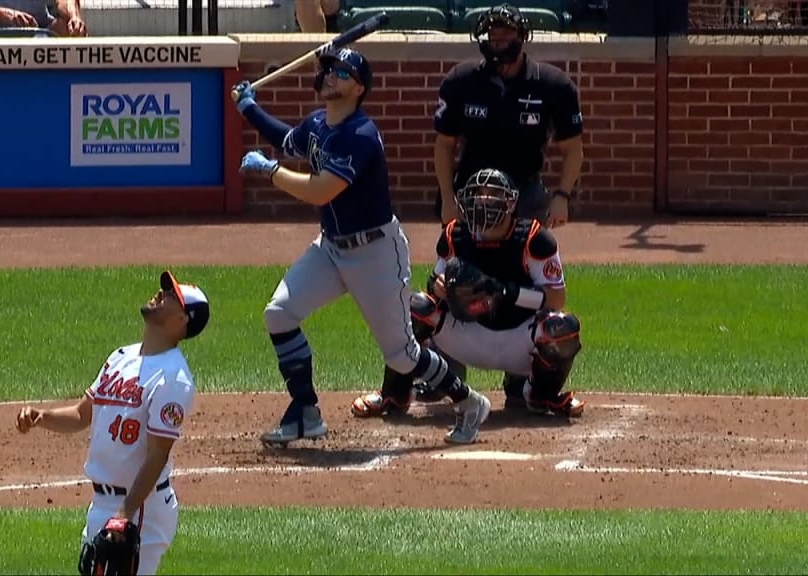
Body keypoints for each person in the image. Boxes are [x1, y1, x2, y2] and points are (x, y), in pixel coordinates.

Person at [232, 47, 492, 446]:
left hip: (375, 255)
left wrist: (271, 173)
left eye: (342, 72)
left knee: (401, 355)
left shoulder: (360, 136)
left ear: (359, 88)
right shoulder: (318, 123)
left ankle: (468, 401)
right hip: (331, 248)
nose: (331, 75)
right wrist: (249, 106)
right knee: (279, 314)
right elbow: (287, 140)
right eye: (330, 69)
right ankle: (305, 411)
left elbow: (321, 191)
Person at [14, 270, 210, 576]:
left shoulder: (173, 378)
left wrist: (124, 514)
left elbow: (157, 455)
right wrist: (43, 417)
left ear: (182, 321)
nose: (161, 295)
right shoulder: (120, 357)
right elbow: (82, 414)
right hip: (102, 505)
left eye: (172, 297)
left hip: (140, 508)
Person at [351, 168, 585, 419]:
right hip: (468, 335)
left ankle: (542, 396)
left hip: (519, 339)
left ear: (510, 202)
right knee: (413, 307)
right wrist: (439, 287)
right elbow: (435, 282)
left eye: (492, 194)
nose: (484, 200)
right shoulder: (455, 235)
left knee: (563, 327)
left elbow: (556, 298)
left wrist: (504, 292)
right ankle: (394, 395)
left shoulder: (534, 239)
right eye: (478, 194)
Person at [433, 3, 585, 229]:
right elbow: (445, 144)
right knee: (459, 260)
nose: (498, 40)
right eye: (493, 34)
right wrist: (447, 197)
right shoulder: (460, 81)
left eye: (506, 33)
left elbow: (572, 147)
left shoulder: (553, 85)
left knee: (528, 257)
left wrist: (562, 196)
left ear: (522, 37)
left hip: (524, 187)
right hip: (472, 188)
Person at [0, 0, 87, 36]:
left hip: (40, 29)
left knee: (65, 27)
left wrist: (74, 17)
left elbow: (65, 1)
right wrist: (1, 13)